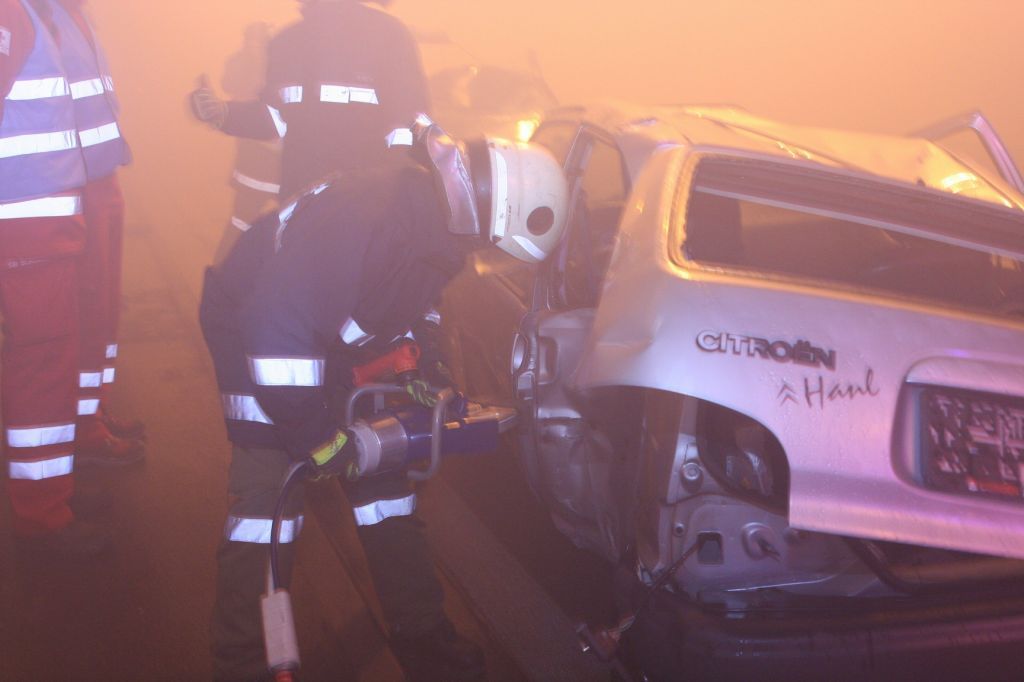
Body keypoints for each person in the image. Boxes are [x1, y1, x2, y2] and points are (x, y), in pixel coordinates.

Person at [199, 118, 569, 681]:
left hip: (317, 340)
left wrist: (427, 362)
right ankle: (244, 662)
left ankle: (419, 628)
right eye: (495, 243)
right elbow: (277, 333)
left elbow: (415, 304)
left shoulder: (433, 228)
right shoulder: (364, 216)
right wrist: (317, 438)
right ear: (495, 216)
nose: (487, 252)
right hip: (257, 340)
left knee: (385, 481)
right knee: (267, 495)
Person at [0, 0, 107, 555]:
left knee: (46, 366)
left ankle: (48, 498)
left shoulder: (27, 13)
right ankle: (41, 517)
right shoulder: (10, 15)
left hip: (37, 228)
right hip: (24, 229)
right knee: (40, 370)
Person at [190, 0, 430, 201]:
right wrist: (224, 114)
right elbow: (274, 119)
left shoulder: (387, 35)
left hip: (367, 203)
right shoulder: (286, 43)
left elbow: (410, 119)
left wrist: (391, 186)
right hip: (301, 199)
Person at [47, 0, 145, 466]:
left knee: (103, 308)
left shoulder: (76, 16)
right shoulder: (42, 17)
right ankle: (84, 427)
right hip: (75, 184)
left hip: (101, 179)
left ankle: (94, 410)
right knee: (84, 308)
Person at [212, 22, 281, 264]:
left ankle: (228, 271)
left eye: (260, 40)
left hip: (276, 161)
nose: (256, 45)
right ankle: (222, 271)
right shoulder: (241, 62)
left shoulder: (278, 63)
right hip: (253, 155)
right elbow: (228, 84)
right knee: (241, 221)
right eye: (253, 40)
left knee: (277, 225)